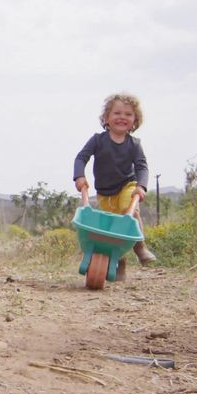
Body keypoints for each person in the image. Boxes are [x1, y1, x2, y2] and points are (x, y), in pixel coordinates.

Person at [73, 93, 157, 280]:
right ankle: (119, 260)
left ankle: (140, 246)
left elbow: (142, 167)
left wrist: (141, 186)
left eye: (128, 114)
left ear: (135, 120)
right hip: (104, 193)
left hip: (127, 185)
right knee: (111, 231)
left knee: (129, 212)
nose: (122, 117)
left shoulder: (134, 145)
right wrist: (79, 177)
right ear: (106, 118)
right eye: (117, 113)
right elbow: (81, 158)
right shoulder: (97, 140)